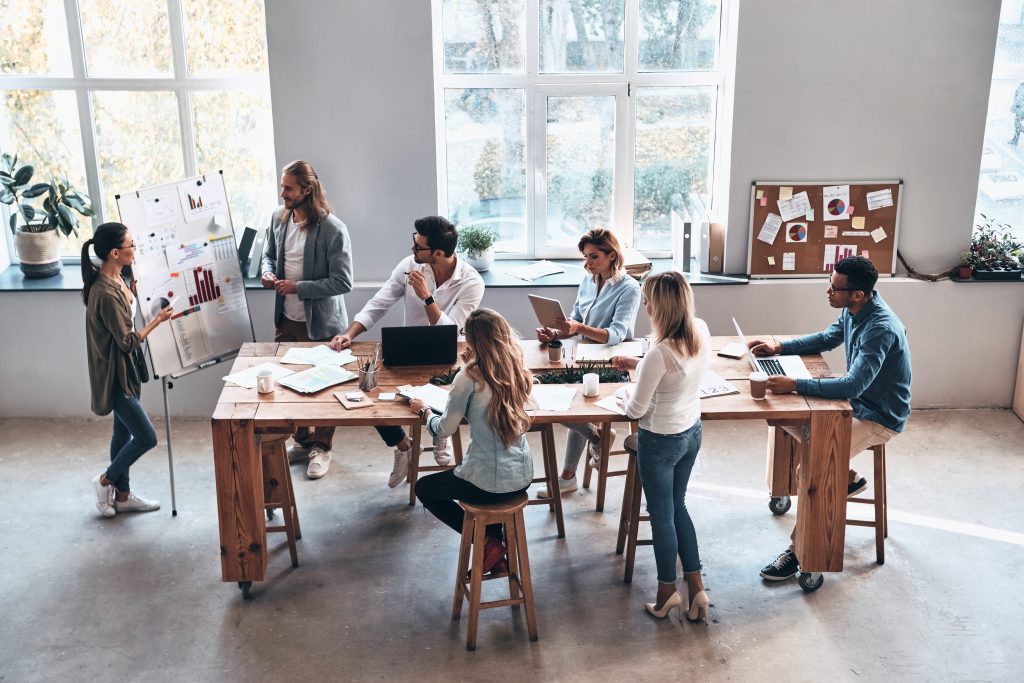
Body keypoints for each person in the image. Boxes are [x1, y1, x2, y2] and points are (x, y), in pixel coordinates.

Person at [748, 256, 912, 582]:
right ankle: (847, 477)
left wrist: (795, 384)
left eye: (835, 288)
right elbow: (827, 338)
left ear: (857, 295)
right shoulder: (853, 310)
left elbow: (852, 384)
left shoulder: (879, 329)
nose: (828, 292)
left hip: (879, 416)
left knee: (814, 467)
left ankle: (802, 555)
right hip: (856, 403)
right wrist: (779, 347)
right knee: (784, 418)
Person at [330, 216, 485, 487]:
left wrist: (427, 297)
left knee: (449, 391)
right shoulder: (409, 266)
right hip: (407, 354)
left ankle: (441, 430)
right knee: (370, 398)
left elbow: (452, 332)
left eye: (418, 247)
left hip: (450, 357)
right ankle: (403, 445)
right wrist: (349, 333)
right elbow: (379, 302)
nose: (413, 251)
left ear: (438, 253)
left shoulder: (471, 282)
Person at [610, 272, 712, 622]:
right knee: (678, 506)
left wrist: (632, 388)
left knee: (662, 516)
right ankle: (697, 589)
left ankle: (667, 591)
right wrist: (640, 368)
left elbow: (635, 411)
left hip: (660, 441)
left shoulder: (658, 353)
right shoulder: (700, 329)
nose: (645, 305)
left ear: (661, 306)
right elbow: (675, 373)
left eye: (648, 300)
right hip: (691, 432)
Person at [412, 309, 534, 575]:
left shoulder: (468, 378)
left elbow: (445, 429)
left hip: (486, 483)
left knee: (424, 488)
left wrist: (424, 412)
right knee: (486, 491)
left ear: (474, 341)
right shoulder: (516, 368)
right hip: (521, 478)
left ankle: (487, 543)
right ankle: (498, 559)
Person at [261, 160, 353, 480]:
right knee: (286, 384)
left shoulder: (332, 229)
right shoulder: (278, 218)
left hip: (323, 324)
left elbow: (343, 282)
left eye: (288, 188)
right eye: (282, 186)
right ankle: (302, 441)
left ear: (307, 190)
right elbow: (268, 254)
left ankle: (322, 448)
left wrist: (298, 288)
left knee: (326, 389)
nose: (282, 192)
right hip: (286, 319)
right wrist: (267, 271)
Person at [535, 228, 641, 498]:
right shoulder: (587, 281)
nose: (587, 263)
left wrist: (579, 326)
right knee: (554, 399)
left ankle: (568, 476)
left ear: (611, 255)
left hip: (613, 363)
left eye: (593, 256)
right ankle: (597, 437)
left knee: (569, 406)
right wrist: (556, 333)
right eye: (585, 256)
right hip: (581, 357)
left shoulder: (629, 288)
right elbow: (574, 322)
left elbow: (616, 334)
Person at [83, 222, 174, 518]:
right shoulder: (106, 293)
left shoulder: (118, 278)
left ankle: (122, 496)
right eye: (130, 246)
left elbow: (126, 313)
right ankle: (104, 481)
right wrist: (157, 321)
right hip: (115, 375)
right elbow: (126, 341)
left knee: (121, 435)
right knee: (147, 438)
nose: (135, 250)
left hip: (127, 371)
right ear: (114, 253)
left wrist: (134, 291)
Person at [1010, 81, 1024, 146]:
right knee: (1017, 124)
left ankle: (1015, 140)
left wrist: (1014, 107)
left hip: (1021, 110)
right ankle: (1015, 139)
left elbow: (1019, 99)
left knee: (1017, 124)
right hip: (1021, 109)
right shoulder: (1021, 86)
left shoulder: (1022, 87)